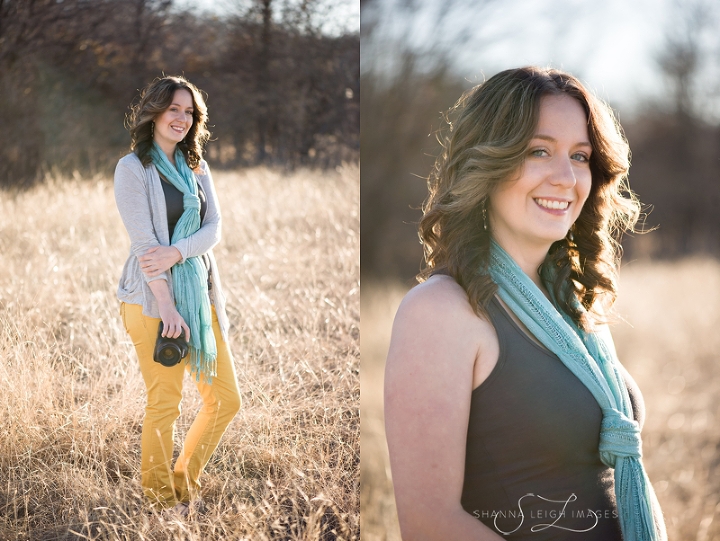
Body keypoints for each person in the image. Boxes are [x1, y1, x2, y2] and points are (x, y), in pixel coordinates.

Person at [384, 67, 666, 540]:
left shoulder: (573, 304)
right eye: (539, 151)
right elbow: (430, 524)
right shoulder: (441, 311)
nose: (566, 177)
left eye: (580, 156)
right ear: (486, 162)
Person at [114, 75, 241, 516]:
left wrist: (178, 251)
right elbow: (145, 248)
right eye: (174, 109)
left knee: (225, 399)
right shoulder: (132, 169)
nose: (182, 119)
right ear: (154, 113)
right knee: (164, 402)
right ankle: (160, 501)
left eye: (189, 112)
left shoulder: (196, 167)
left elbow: (214, 229)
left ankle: (183, 481)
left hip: (200, 292)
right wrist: (167, 305)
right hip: (152, 301)